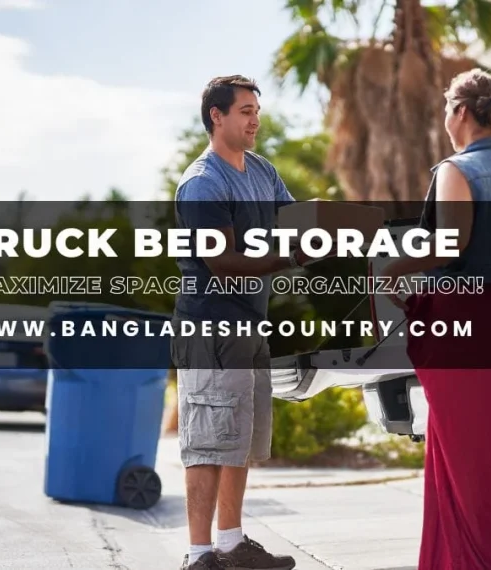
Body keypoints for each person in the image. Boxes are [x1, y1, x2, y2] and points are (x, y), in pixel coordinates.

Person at [381, 68, 491, 570]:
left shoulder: (455, 170)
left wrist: (395, 268)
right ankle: (462, 557)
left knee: (476, 458)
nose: (444, 118)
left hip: (471, 324)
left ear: (461, 111)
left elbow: (451, 243)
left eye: (446, 108)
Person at [171, 75, 314, 570]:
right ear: (218, 116)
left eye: (256, 109)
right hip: (210, 327)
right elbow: (223, 262)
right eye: (246, 111)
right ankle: (199, 555)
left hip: (249, 325)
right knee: (207, 442)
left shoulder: (261, 170)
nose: (256, 120)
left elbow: (294, 218)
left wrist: (327, 232)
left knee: (237, 441)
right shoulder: (203, 183)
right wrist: (288, 260)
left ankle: (230, 545)